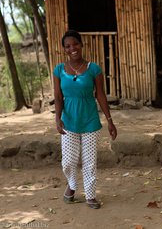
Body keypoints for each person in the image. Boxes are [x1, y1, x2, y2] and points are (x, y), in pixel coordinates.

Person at [53, 30, 117, 209]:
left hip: (89, 121)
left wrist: (110, 121)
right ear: (64, 49)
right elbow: (58, 97)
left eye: (75, 44)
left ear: (81, 45)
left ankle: (90, 195)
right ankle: (72, 185)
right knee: (68, 161)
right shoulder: (59, 70)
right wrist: (57, 119)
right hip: (68, 121)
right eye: (68, 46)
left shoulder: (94, 69)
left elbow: (101, 95)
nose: (72, 48)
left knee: (89, 161)